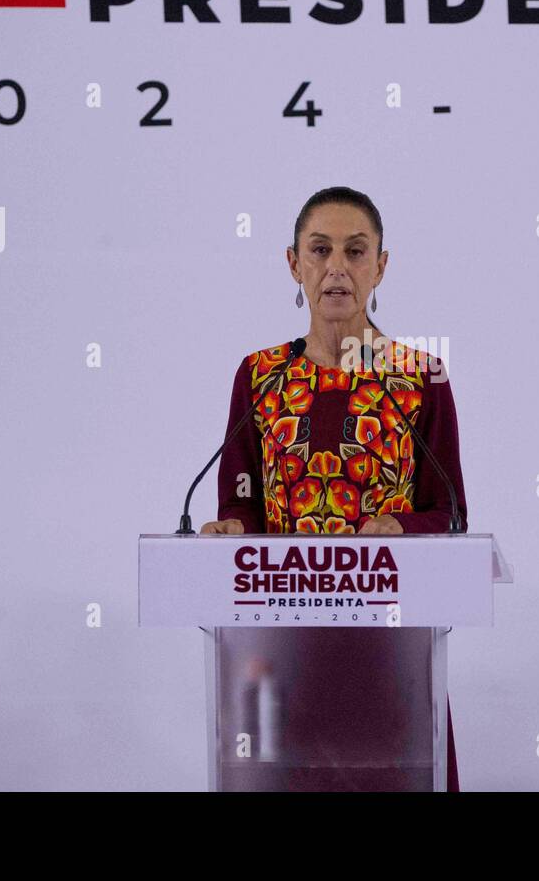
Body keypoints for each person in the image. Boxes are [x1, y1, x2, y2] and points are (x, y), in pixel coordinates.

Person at [201, 186, 469, 791]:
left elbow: (450, 515)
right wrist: (231, 529)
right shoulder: (261, 376)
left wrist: (402, 528)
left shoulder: (418, 377)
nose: (337, 268)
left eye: (356, 251)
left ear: (381, 265)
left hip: (390, 656)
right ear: (294, 265)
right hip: (281, 655)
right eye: (320, 250)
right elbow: (240, 502)